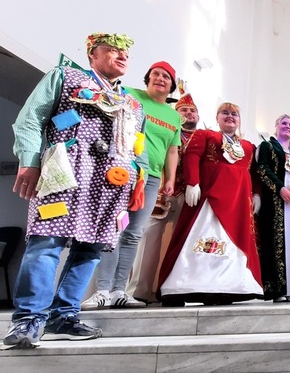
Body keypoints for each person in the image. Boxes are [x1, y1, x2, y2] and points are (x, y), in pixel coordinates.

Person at [4, 32, 144, 349]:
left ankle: (63, 316)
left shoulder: (133, 104)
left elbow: (140, 147)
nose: (121, 56)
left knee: (91, 249)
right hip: (63, 172)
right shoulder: (65, 77)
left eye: (126, 54)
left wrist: (139, 178)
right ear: (92, 54)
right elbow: (31, 118)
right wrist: (29, 160)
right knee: (46, 242)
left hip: (111, 183)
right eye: (112, 50)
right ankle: (28, 319)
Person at [84, 61, 181, 309]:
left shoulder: (173, 115)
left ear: (171, 86)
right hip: (124, 172)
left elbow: (172, 150)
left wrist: (169, 178)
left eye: (166, 77)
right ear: (147, 78)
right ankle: (102, 289)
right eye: (156, 75)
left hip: (151, 178)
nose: (160, 79)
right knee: (113, 229)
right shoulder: (130, 95)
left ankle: (119, 290)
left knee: (133, 234)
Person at [157, 102, 262, 305]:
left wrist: (256, 194)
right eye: (225, 113)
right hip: (208, 198)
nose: (230, 116)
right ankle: (184, 285)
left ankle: (228, 287)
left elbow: (254, 172)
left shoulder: (248, 146)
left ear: (240, 120)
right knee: (200, 236)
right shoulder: (205, 135)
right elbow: (191, 157)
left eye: (234, 114)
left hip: (237, 205)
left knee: (233, 244)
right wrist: (192, 183)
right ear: (217, 117)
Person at [127, 86, 199, 303]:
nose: (188, 113)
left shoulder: (204, 137)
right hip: (160, 191)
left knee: (182, 245)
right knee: (147, 240)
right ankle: (139, 291)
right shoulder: (166, 130)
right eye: (183, 110)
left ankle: (174, 290)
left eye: (192, 111)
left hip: (189, 198)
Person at [254, 114, 290, 302]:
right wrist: (280, 188)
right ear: (276, 126)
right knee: (274, 242)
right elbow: (262, 169)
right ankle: (278, 289)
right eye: (284, 124)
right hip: (275, 203)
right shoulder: (267, 146)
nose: (287, 127)